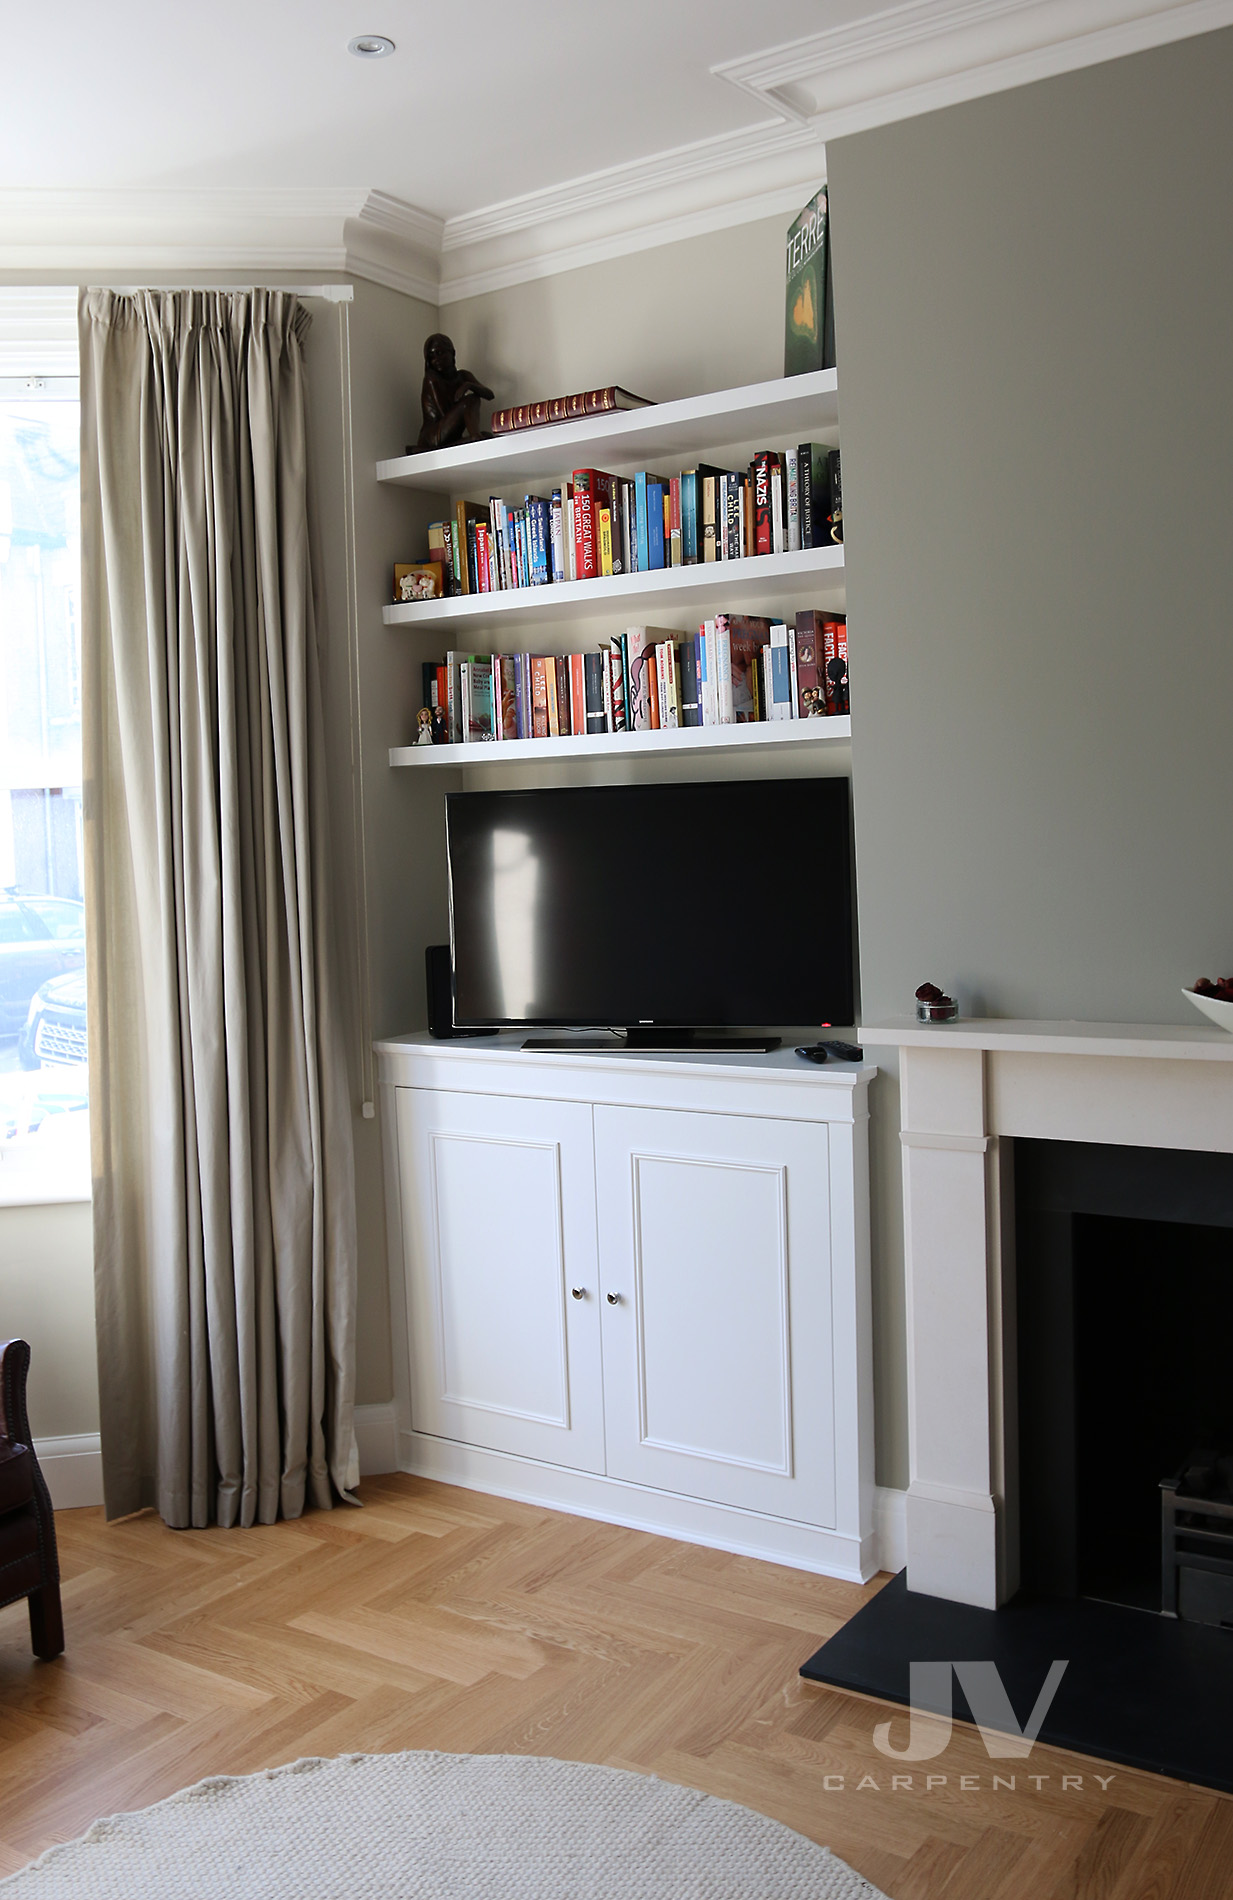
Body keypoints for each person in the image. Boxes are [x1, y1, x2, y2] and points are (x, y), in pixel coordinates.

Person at [414, 334, 494, 451]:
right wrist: (463, 405)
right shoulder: (431, 380)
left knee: (474, 399)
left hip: (449, 434)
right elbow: (444, 413)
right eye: (432, 356)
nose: (436, 360)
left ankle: (474, 437)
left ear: (452, 353)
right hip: (433, 437)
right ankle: (475, 438)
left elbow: (490, 395)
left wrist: (469, 385)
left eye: (440, 353)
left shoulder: (463, 376)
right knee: (470, 401)